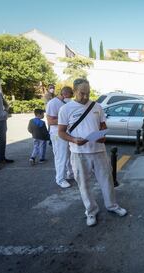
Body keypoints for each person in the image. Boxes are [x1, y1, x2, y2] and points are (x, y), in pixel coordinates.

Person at [58, 78, 127, 227]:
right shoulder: (65, 109)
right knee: (84, 184)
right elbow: (61, 133)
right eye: (82, 93)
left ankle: (112, 206)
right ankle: (91, 211)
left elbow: (103, 126)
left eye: (88, 93)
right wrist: (73, 140)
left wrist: (103, 136)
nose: (85, 97)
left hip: (99, 151)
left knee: (107, 181)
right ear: (74, 91)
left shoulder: (97, 107)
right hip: (79, 152)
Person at [46, 86, 74, 188]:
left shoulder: (68, 103)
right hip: (57, 134)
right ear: (65, 94)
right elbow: (50, 121)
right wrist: (65, 119)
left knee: (68, 155)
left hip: (67, 132)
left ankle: (70, 174)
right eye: (71, 95)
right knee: (61, 156)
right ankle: (60, 179)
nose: (72, 97)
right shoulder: (52, 103)